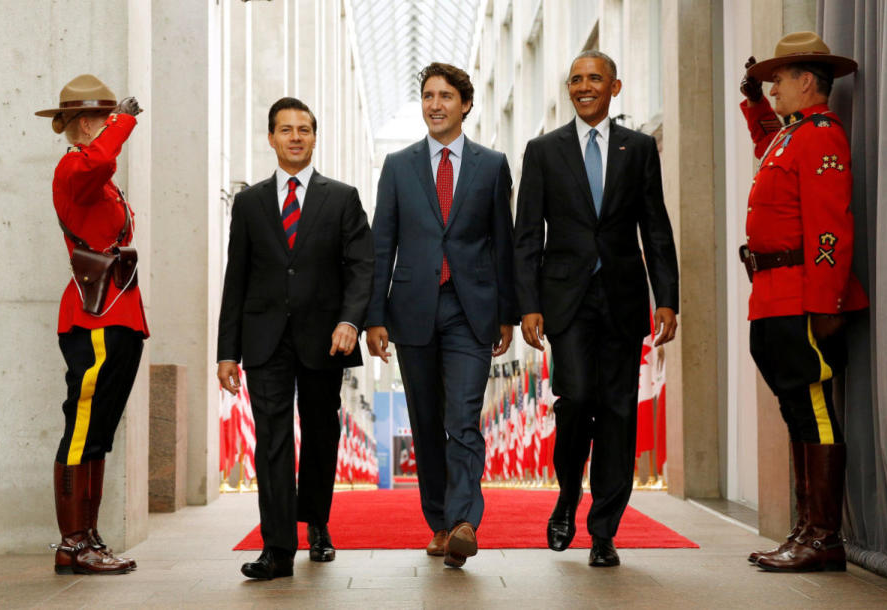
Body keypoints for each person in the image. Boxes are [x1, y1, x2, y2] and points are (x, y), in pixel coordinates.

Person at [514, 51, 679, 568]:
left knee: (617, 412)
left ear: (615, 86)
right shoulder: (542, 150)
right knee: (576, 395)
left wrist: (667, 297)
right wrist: (528, 305)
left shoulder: (638, 149)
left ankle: (604, 529)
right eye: (576, 80)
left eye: (594, 79)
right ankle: (567, 494)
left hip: (625, 301)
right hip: (565, 301)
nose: (584, 87)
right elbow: (526, 236)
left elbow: (655, 226)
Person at [364, 62, 517, 568]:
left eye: (446, 96)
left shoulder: (492, 165)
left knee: (462, 418)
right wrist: (375, 316)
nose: (435, 104)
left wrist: (507, 315)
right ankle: (440, 523)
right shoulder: (398, 165)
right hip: (411, 311)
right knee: (427, 423)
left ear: (465, 104)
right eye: (428, 95)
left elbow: (503, 244)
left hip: (470, 309)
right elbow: (381, 244)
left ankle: (464, 521)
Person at [217, 97, 374, 579]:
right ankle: (278, 548)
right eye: (285, 130)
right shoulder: (248, 203)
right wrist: (227, 352)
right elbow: (236, 276)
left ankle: (319, 524)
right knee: (273, 441)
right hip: (264, 339)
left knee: (321, 434)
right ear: (271, 138)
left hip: (326, 337)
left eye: (304, 129)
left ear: (314, 136)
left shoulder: (342, 197)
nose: (295, 137)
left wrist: (350, 320)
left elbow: (362, 266)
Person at [738, 31, 868, 572]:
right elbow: (766, 142)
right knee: (797, 411)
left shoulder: (820, 136)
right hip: (773, 295)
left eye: (777, 80)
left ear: (807, 81)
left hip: (801, 298)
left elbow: (830, 226)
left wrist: (826, 299)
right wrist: (751, 100)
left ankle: (824, 537)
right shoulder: (792, 136)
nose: (772, 90)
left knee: (813, 410)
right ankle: (805, 526)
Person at [36, 74, 146, 575]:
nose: (112, 127)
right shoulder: (74, 168)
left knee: (98, 430)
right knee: (82, 428)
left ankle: (89, 536)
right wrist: (123, 122)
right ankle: (72, 542)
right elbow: (100, 156)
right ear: (87, 124)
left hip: (117, 313)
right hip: (92, 317)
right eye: (105, 118)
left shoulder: (97, 177)